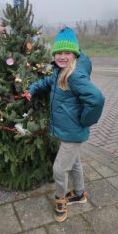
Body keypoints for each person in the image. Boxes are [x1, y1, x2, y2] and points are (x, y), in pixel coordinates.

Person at [24, 27, 105, 222]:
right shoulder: (60, 70)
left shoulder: (74, 75)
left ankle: (61, 200)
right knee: (74, 163)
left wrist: (84, 121)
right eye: (58, 52)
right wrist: (33, 89)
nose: (61, 56)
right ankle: (79, 193)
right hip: (68, 131)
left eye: (67, 52)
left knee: (59, 169)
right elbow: (47, 82)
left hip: (73, 132)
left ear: (74, 54)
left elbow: (97, 99)